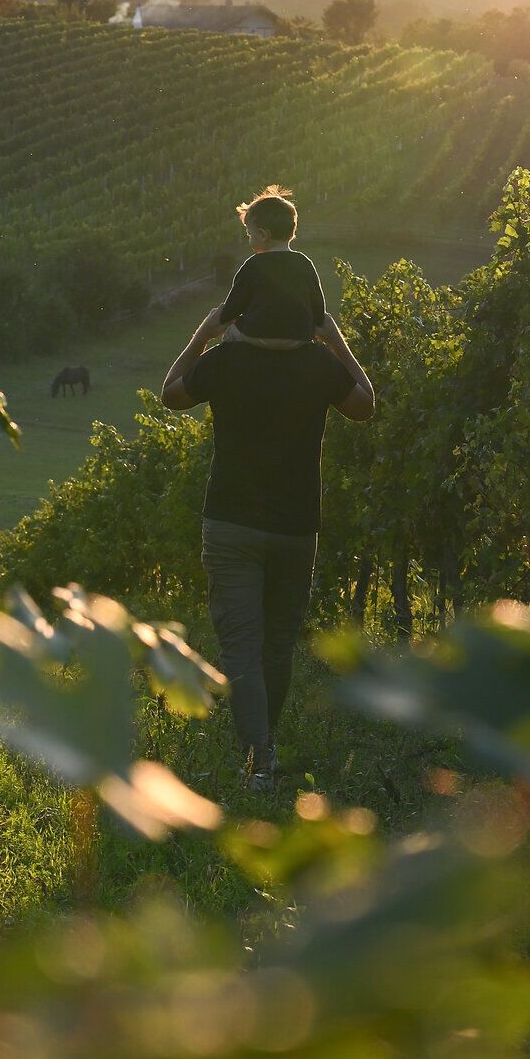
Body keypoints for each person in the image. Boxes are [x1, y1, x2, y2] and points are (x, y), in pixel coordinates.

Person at [161, 290, 374, 789]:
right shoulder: (319, 363)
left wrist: (202, 334)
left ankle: (260, 758)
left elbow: (170, 392)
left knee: (241, 646)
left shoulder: (224, 360)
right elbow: (365, 404)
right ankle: (264, 751)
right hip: (297, 526)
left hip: (232, 522)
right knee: (277, 645)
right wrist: (337, 339)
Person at [201, 184, 328, 344]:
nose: (249, 238)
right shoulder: (304, 263)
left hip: (256, 336)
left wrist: (220, 317)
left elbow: (231, 310)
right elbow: (318, 310)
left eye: (249, 233)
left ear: (262, 234)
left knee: (230, 335)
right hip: (299, 338)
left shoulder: (253, 265)